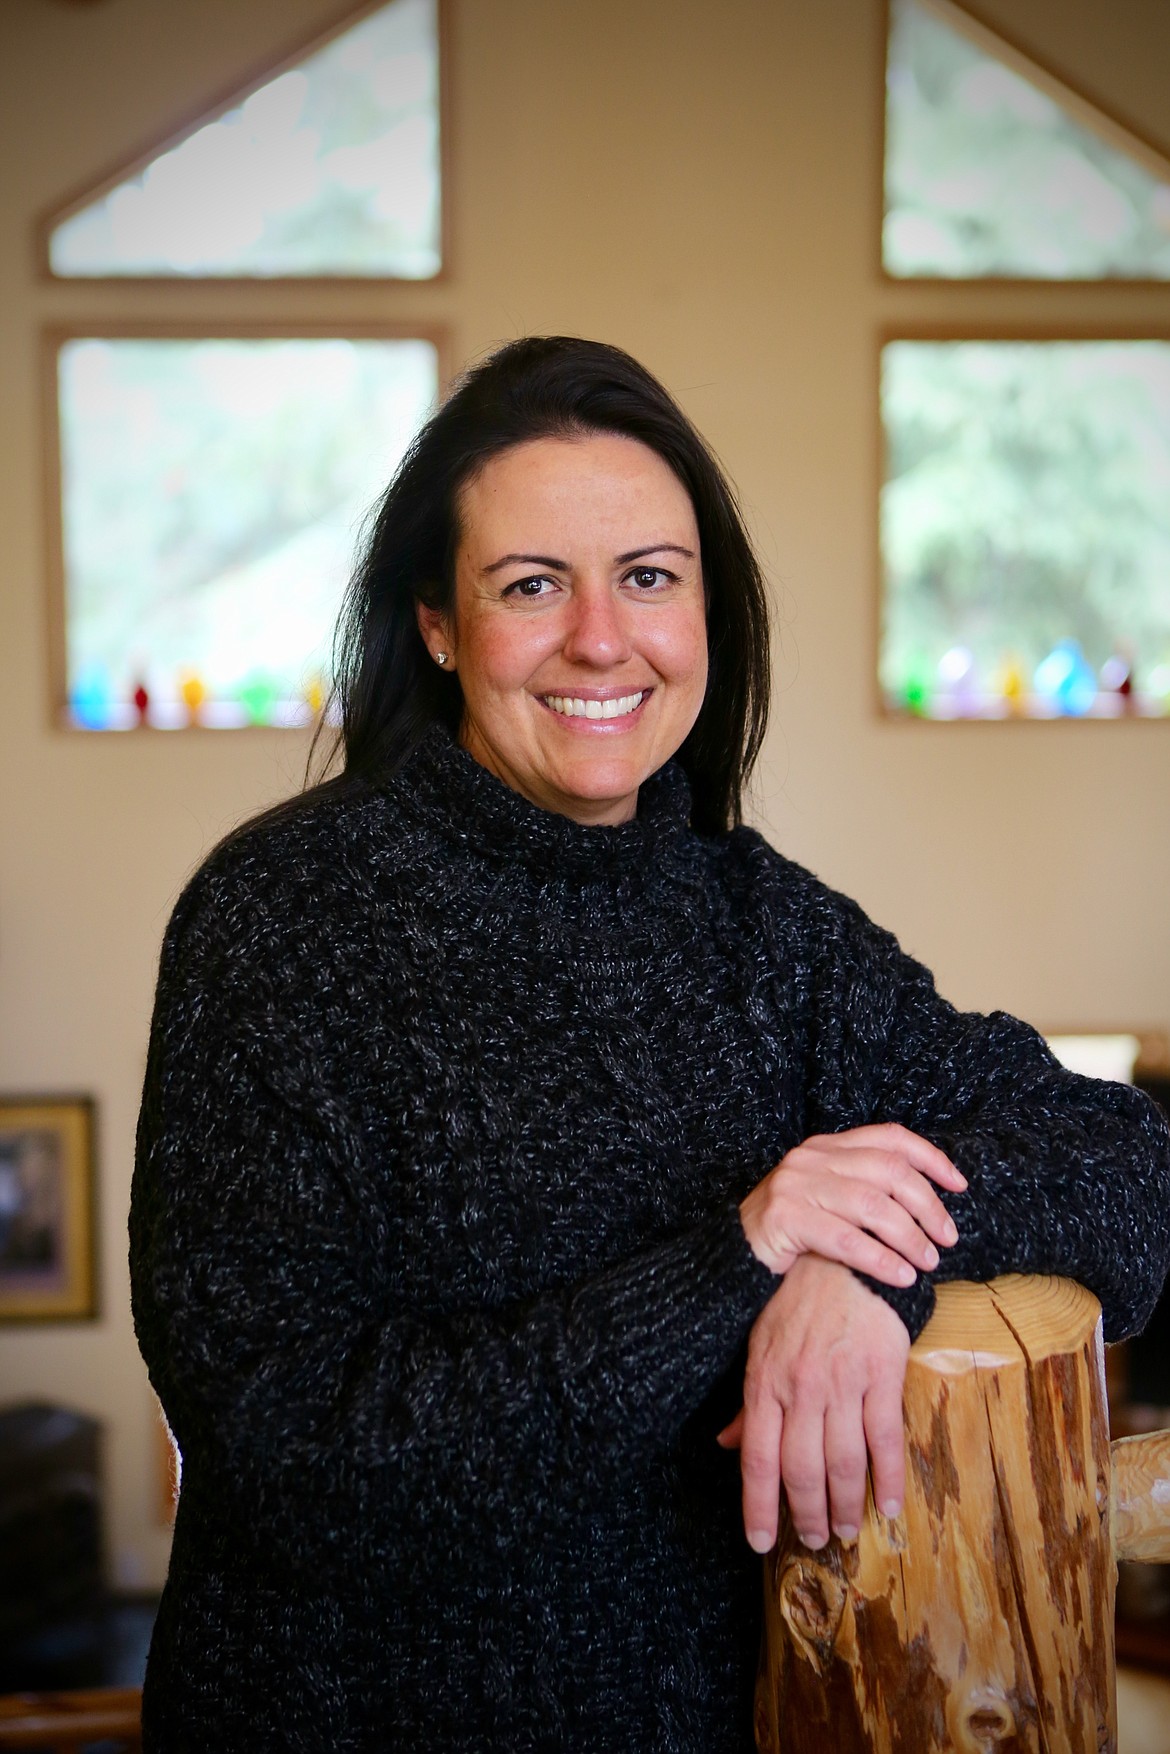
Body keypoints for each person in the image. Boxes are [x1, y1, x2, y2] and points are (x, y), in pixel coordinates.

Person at [129, 337, 1170, 1752]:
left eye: (648, 576)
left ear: (706, 610)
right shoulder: (281, 924)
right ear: (436, 621)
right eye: (531, 584)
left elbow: (1127, 1157)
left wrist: (871, 1260)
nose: (602, 639)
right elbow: (294, 1458)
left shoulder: (766, 930)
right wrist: (737, 1259)